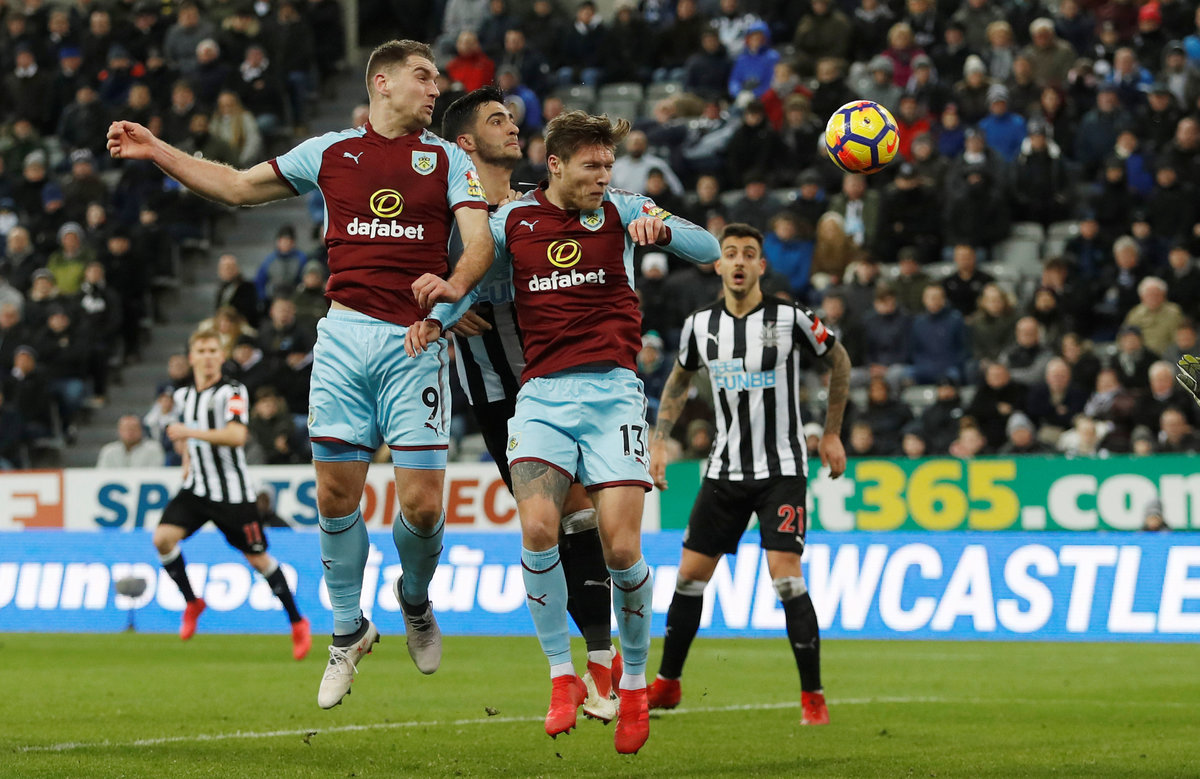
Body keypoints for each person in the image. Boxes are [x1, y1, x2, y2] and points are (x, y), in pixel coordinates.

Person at [108, 39, 495, 709]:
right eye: (423, 76)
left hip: (416, 340)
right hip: (342, 338)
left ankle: (414, 598)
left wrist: (452, 289)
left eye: (436, 78)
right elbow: (236, 186)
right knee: (335, 496)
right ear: (382, 83)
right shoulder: (330, 152)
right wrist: (158, 150)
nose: (436, 88)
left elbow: (480, 242)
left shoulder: (449, 159)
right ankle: (347, 631)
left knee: (424, 506)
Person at [412, 110, 721, 754]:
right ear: (555, 165)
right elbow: (472, 280)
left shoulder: (624, 209)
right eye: (592, 166)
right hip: (541, 397)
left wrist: (662, 229)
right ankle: (561, 675)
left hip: (614, 395)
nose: (603, 176)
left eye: (608, 165)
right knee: (537, 530)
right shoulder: (512, 222)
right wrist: (440, 316)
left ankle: (632, 684)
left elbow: (710, 249)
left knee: (621, 548)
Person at [437, 86, 628, 721]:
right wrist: (448, 304)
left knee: (579, 517)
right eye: (498, 120)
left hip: (562, 379)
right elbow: (415, 283)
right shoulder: (443, 217)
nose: (514, 128)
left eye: (513, 118)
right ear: (466, 142)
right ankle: (593, 664)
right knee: (549, 525)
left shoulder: (538, 205)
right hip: (495, 394)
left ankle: (598, 665)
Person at [644, 222, 849, 729]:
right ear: (718, 265)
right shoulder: (700, 326)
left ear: (761, 265)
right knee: (689, 577)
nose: (738, 261)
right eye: (730, 253)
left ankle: (813, 696)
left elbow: (839, 360)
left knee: (786, 577)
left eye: (748, 253)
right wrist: (659, 439)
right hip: (724, 470)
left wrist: (831, 433)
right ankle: (668, 683)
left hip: (782, 469)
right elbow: (678, 381)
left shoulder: (790, 317)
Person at [152, 329, 311, 658]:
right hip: (197, 489)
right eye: (202, 351)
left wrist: (189, 433)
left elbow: (237, 436)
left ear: (221, 357)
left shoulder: (233, 391)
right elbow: (187, 438)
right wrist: (187, 459)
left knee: (258, 559)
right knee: (162, 539)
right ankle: (193, 602)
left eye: (214, 350)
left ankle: (298, 622)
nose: (208, 356)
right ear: (192, 357)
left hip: (234, 496)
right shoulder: (183, 396)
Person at [96, 414, 164, 467]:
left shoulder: (153, 449)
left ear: (140, 430)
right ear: (119, 431)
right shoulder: (108, 451)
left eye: (133, 428)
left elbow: (156, 473)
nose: (130, 432)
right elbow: (101, 475)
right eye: (126, 429)